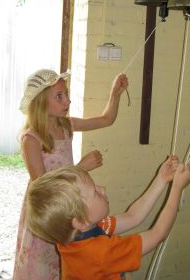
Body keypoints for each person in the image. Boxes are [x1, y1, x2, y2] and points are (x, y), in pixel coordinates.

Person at [13, 68, 128, 280]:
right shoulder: (31, 139)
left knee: (67, 261)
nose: (67, 101)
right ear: (40, 103)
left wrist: (115, 93)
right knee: (44, 264)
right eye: (59, 96)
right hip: (49, 211)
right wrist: (81, 169)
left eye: (66, 94)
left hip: (69, 205)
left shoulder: (66, 125)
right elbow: (43, 188)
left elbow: (106, 120)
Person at [26, 156, 190, 280]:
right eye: (95, 192)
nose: (103, 189)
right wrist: (177, 188)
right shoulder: (99, 253)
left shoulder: (74, 233)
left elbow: (132, 216)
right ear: (81, 220)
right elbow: (158, 234)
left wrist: (161, 179)